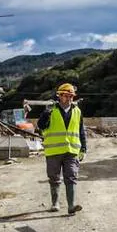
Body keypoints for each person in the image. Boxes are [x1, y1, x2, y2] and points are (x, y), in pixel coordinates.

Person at [37, 83, 87, 215]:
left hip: (71, 150)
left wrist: (84, 148)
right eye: (66, 95)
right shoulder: (51, 110)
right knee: (54, 177)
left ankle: (71, 206)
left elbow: (81, 131)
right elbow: (41, 126)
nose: (69, 98)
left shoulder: (77, 111)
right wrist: (45, 115)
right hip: (54, 150)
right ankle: (55, 203)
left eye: (71, 96)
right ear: (59, 96)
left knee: (71, 176)